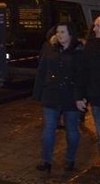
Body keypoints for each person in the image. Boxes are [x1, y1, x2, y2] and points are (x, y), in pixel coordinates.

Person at [33, 22, 86, 173]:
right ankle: (46, 161)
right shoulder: (50, 49)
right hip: (52, 95)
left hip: (71, 97)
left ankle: (70, 160)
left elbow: (81, 76)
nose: (60, 35)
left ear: (71, 34)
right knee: (49, 129)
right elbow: (42, 70)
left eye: (63, 32)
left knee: (72, 130)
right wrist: (38, 94)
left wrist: (81, 97)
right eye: (58, 32)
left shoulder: (78, 52)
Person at [80, 15, 100, 150]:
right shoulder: (90, 44)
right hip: (95, 92)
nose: (95, 28)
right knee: (98, 118)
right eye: (95, 25)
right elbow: (85, 69)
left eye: (98, 26)